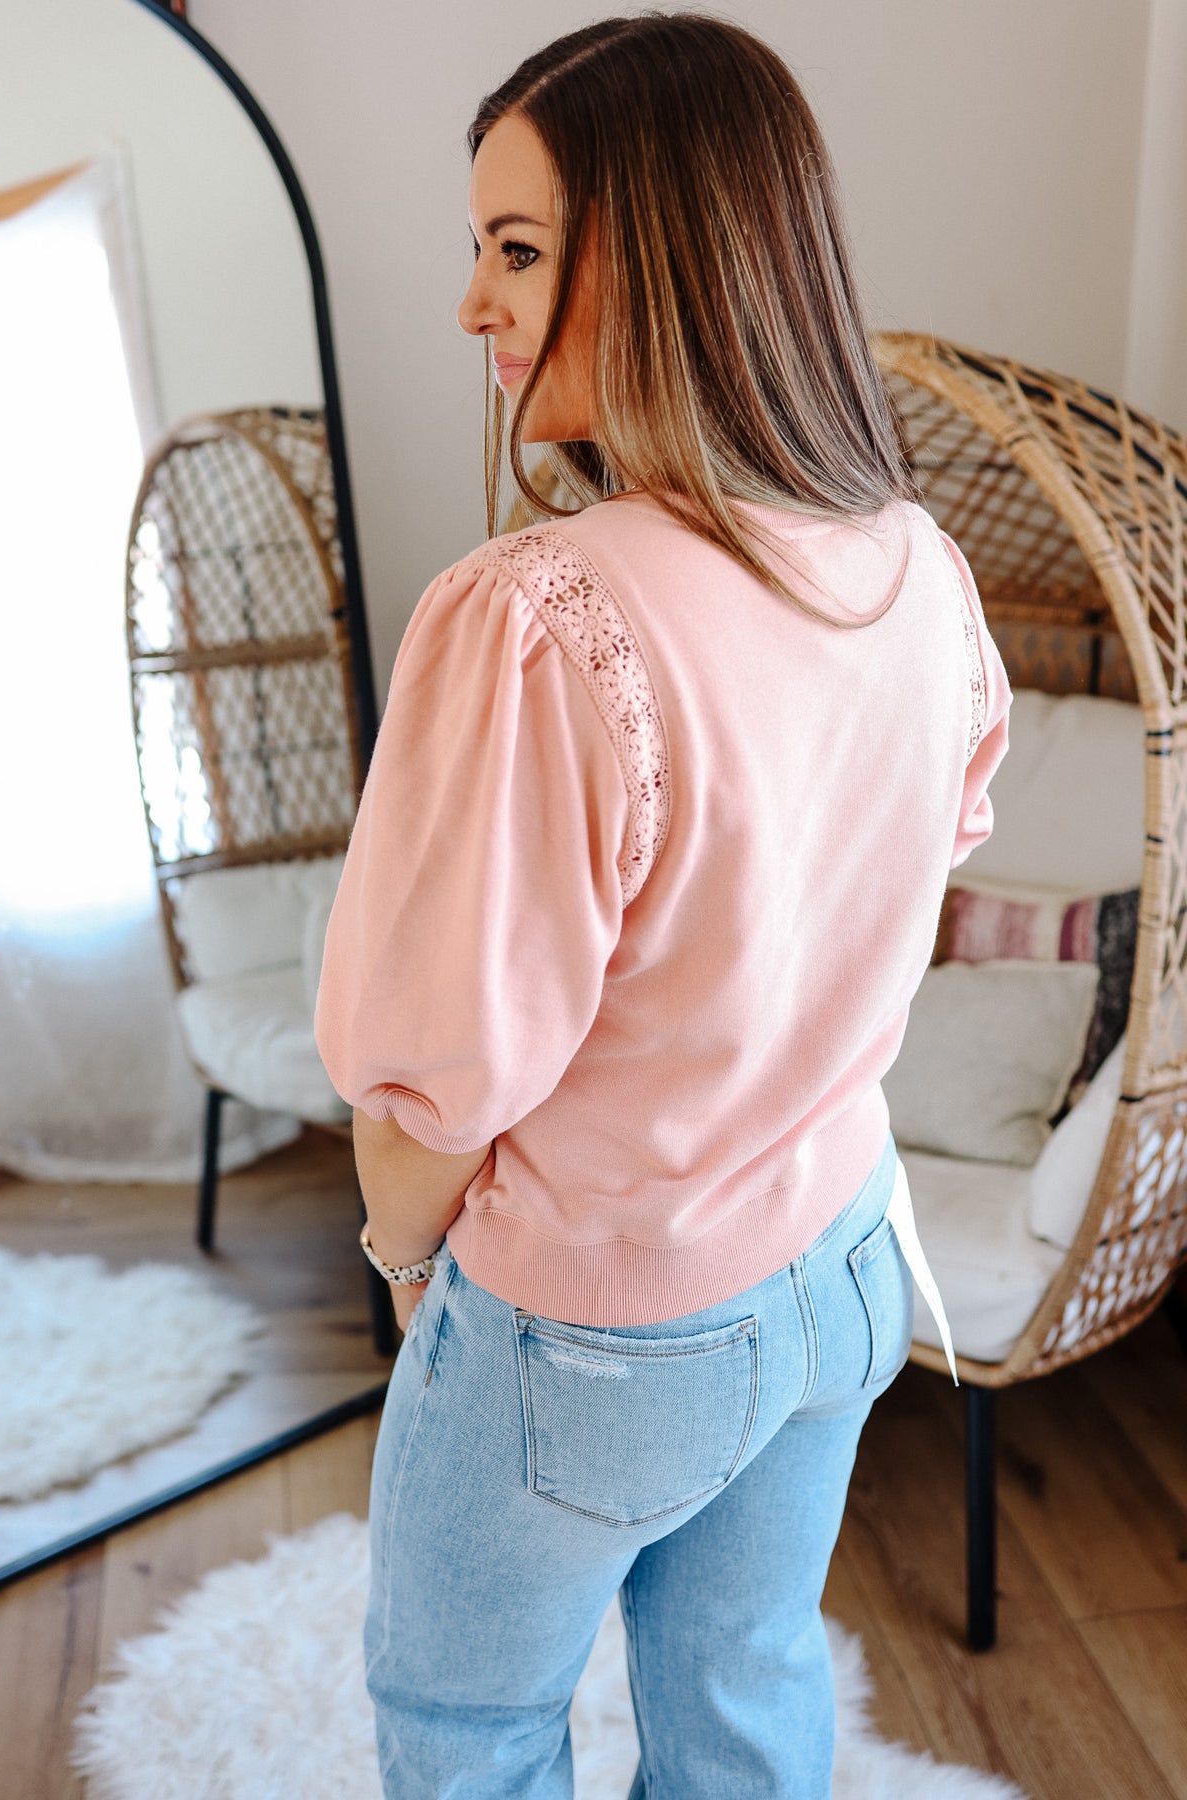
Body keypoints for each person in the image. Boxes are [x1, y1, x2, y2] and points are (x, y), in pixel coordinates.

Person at [314, 12, 1011, 1797]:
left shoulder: (538, 617)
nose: (472, 302)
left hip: (598, 1328)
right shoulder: (917, 569)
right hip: (845, 1262)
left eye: (517, 249)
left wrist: (407, 1268)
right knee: (746, 1697)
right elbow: (898, 875)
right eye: (480, 248)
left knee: (468, 1727)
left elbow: (430, 1093)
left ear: (667, 255)